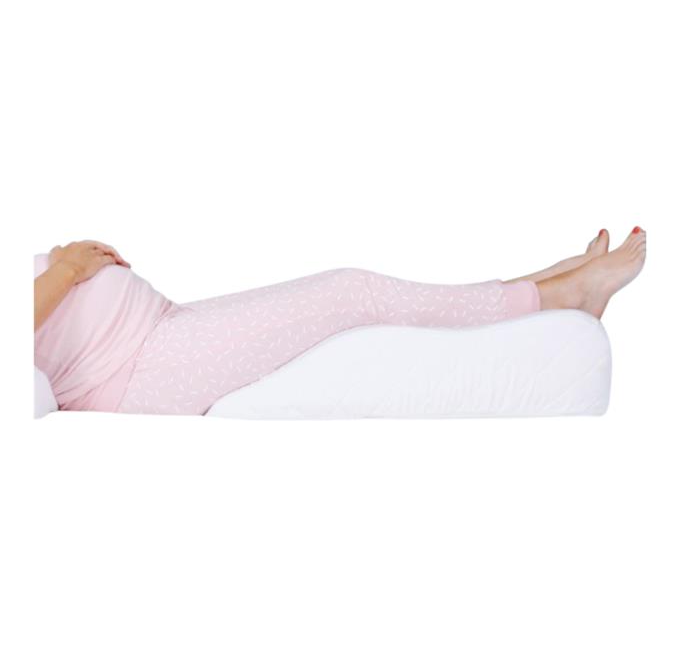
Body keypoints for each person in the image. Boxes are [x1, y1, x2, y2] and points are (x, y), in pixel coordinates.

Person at [34, 228, 646, 415]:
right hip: (138, 371)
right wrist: (65, 270)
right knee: (352, 294)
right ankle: (558, 296)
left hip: (154, 331)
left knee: (352, 293)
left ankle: (540, 290)